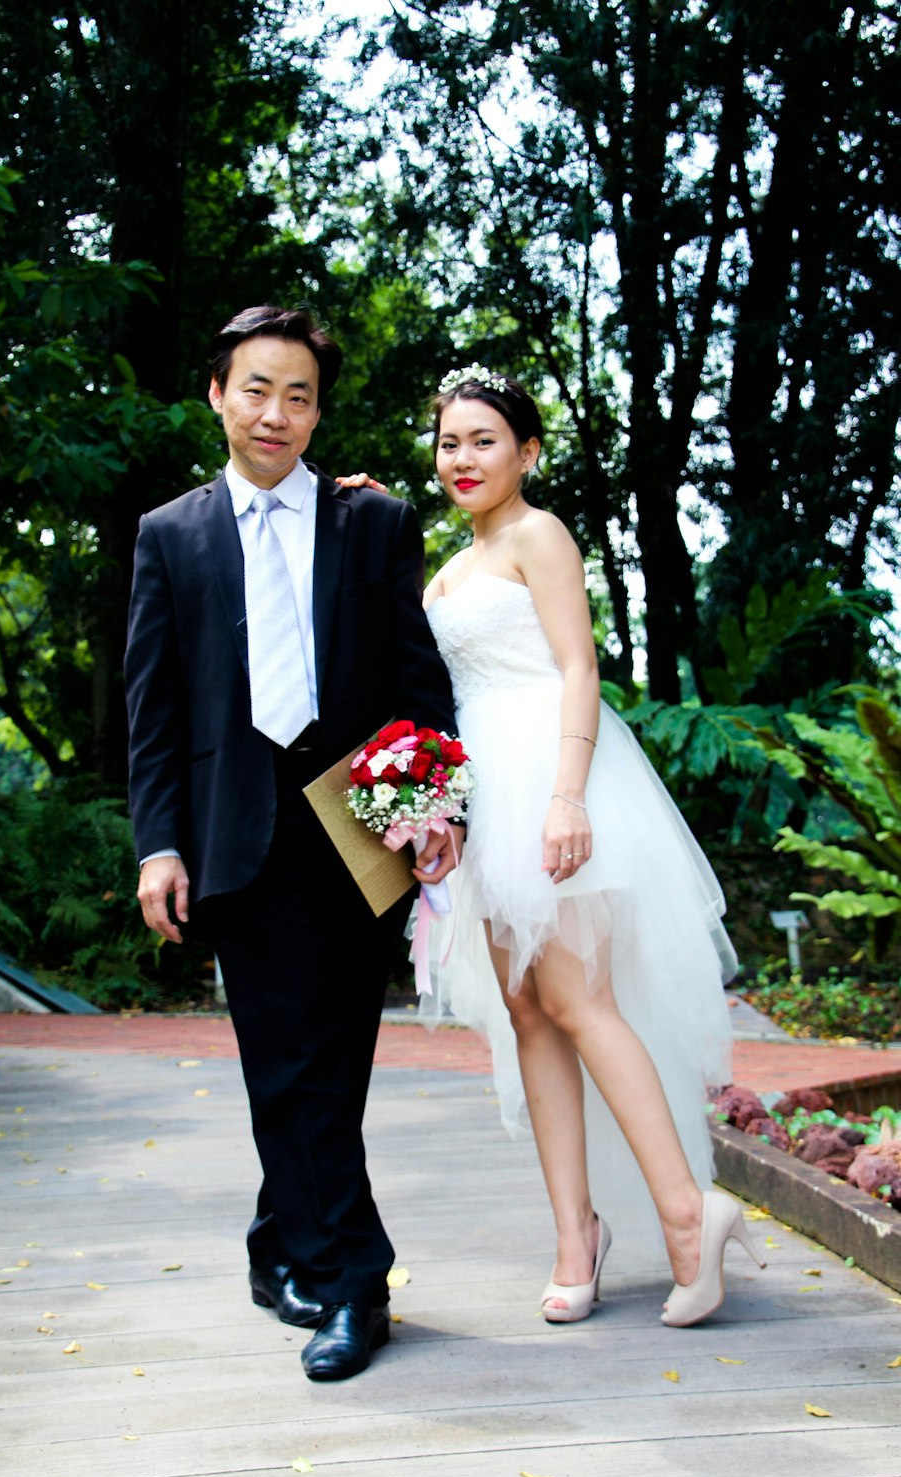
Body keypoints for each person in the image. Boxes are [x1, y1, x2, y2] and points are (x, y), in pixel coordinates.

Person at [375, 364, 762, 1326]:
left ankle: (689, 1213)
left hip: (554, 773)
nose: (462, 459)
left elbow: (579, 665)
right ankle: (573, 1236)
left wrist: (567, 795)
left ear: (527, 451)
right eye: (448, 443)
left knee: (580, 999)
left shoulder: (538, 533)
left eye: (484, 441)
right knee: (527, 1009)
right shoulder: (450, 567)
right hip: (488, 793)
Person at [124, 306, 460, 1380]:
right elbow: (156, 713)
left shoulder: (374, 522)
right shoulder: (168, 535)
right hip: (236, 831)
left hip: (356, 828)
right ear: (217, 395)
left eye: (300, 394)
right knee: (285, 1065)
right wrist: (157, 847)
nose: (278, 412)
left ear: (319, 410)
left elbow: (418, 682)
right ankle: (356, 1280)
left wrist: (439, 804)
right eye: (257, 389)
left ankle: (280, 1247)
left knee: (333, 1068)